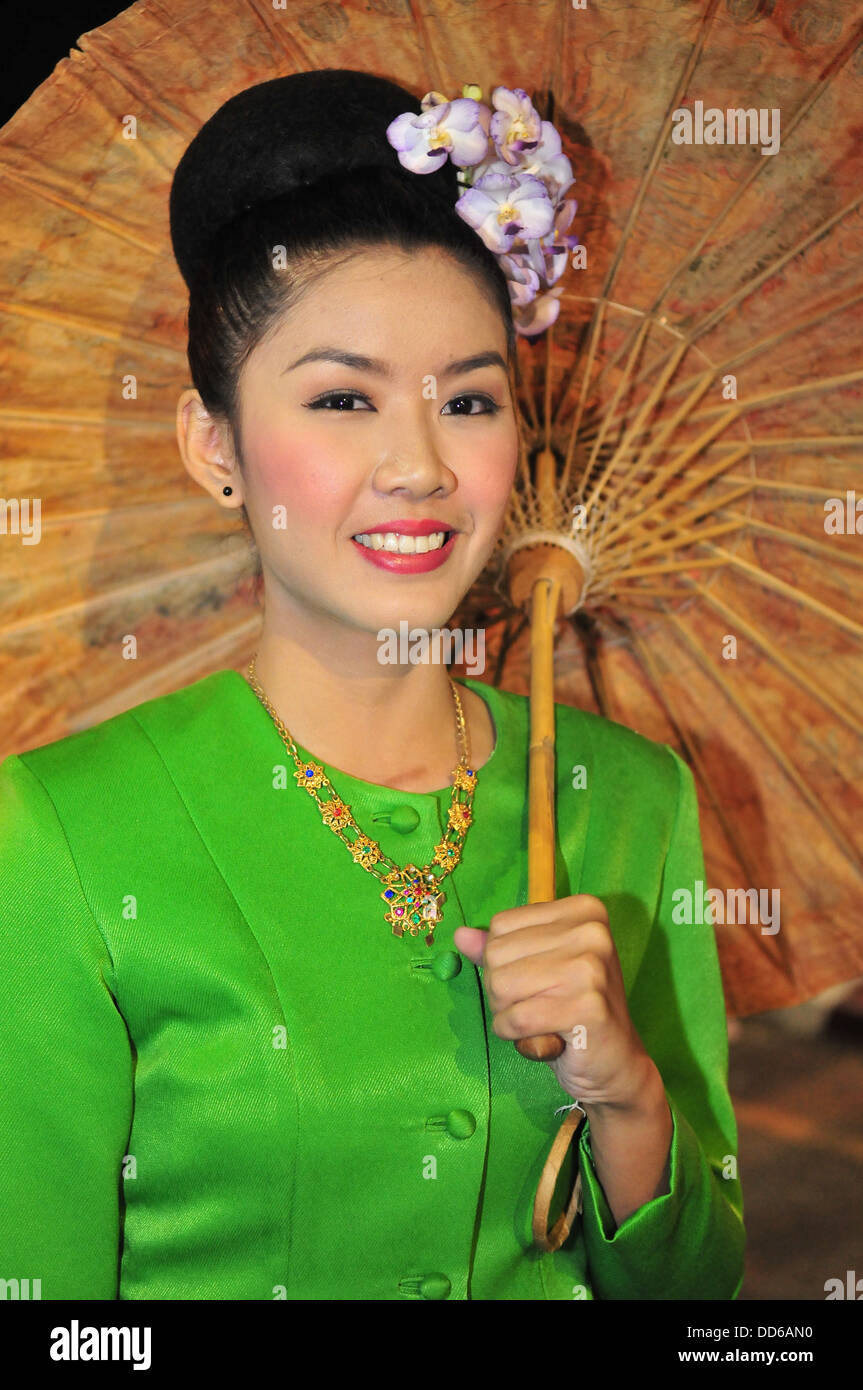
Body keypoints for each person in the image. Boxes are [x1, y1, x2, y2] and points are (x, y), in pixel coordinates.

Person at [0, 69, 744, 1301]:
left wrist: (628, 1100)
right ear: (214, 446)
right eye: (342, 398)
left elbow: (702, 1300)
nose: (418, 465)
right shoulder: (59, 839)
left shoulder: (624, 796)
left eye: (467, 399)